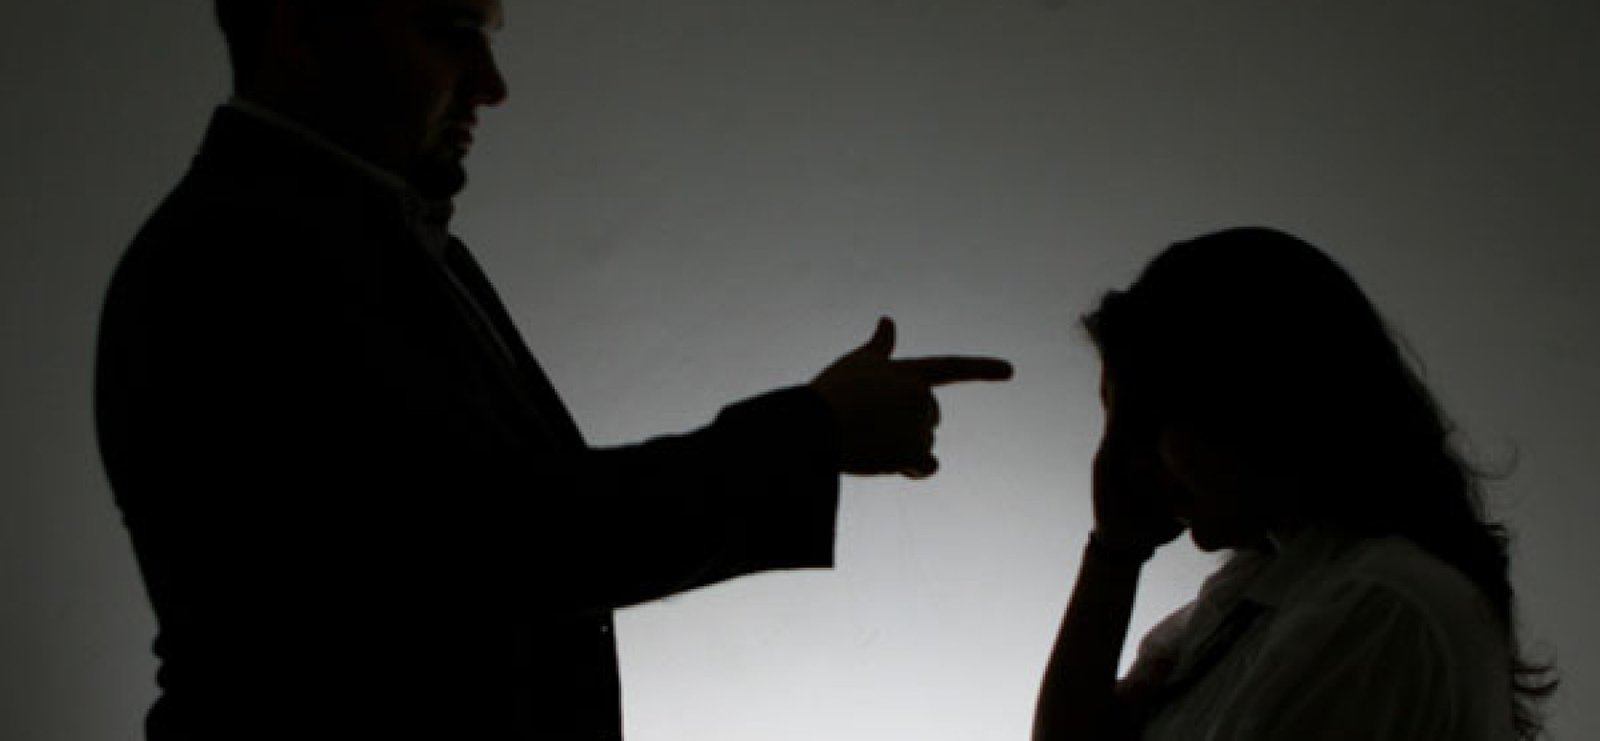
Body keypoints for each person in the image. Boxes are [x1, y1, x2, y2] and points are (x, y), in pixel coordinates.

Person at [93, 1, 1013, 739]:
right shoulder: (227, 260)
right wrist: (814, 433)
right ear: (301, 26)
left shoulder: (357, 238)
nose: (492, 85)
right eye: (452, 32)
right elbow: (501, 542)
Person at [1031, 227, 1556, 741]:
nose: (1125, 463)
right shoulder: (1252, 595)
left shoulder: (1376, 609)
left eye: (1146, 421)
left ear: (1253, 403)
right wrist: (1115, 552)